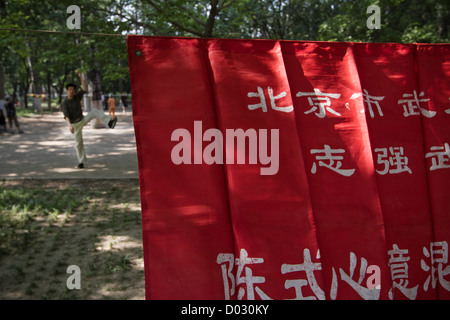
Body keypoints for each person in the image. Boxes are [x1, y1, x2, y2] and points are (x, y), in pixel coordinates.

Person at [62, 70, 117, 169]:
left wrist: (81, 77)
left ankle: (110, 122)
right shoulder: (65, 102)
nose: (72, 91)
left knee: (95, 111)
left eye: (73, 89)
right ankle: (81, 162)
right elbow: (66, 115)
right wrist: (69, 126)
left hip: (82, 119)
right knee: (79, 143)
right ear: (67, 90)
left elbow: (84, 88)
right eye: (70, 89)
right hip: (74, 125)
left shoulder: (77, 97)